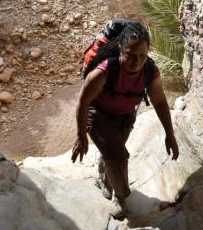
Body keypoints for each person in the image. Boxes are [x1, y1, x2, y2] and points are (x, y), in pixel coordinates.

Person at [71, 21, 179, 219]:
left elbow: (161, 103)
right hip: (98, 114)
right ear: (121, 48)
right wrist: (81, 136)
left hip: (125, 117)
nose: (136, 62)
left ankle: (105, 181)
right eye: (130, 55)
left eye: (142, 56)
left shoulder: (149, 71)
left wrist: (170, 135)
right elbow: (83, 102)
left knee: (112, 152)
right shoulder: (103, 72)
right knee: (119, 156)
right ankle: (122, 199)